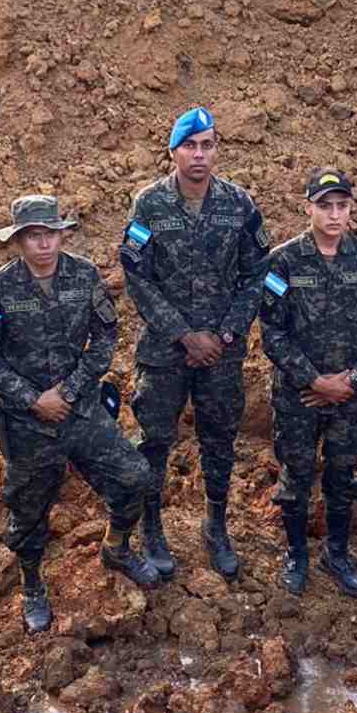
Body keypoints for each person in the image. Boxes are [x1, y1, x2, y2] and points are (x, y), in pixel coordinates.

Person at [0, 195, 159, 632]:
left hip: (82, 411)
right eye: (33, 236)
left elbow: (106, 335)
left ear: (62, 235)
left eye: (50, 235)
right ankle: (32, 584)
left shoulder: (84, 276)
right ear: (19, 241)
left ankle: (116, 547)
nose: (43, 245)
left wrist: (69, 392)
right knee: (28, 511)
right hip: (27, 423)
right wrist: (32, 399)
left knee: (135, 477)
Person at [120, 106, 270, 580]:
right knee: (154, 440)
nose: (199, 154)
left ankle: (216, 525)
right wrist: (184, 334)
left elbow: (257, 274)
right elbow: (136, 276)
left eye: (207, 145)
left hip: (221, 353)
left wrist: (225, 334)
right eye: (190, 146)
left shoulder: (239, 204)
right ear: (174, 152)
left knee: (219, 439)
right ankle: (151, 528)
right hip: (164, 351)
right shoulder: (149, 204)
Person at [258, 168, 357, 597]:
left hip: (349, 396)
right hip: (299, 395)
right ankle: (296, 554)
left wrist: (354, 378)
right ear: (309, 208)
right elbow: (271, 331)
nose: (334, 215)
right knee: (296, 474)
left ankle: (337, 554)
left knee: (343, 474)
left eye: (342, 206)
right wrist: (314, 380)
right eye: (325, 206)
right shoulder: (283, 261)